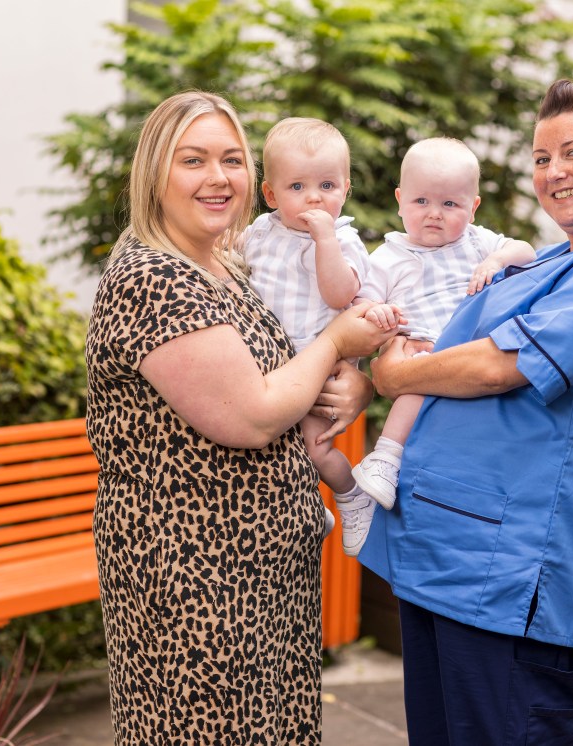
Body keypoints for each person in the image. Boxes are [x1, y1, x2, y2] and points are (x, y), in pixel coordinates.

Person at [359, 79, 573, 745]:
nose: (554, 172)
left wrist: (395, 374)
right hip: (446, 559)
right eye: (541, 159)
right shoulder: (550, 263)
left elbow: (496, 365)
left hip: (508, 581)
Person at [85, 91, 395, 745]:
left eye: (231, 159)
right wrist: (339, 342)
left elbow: (291, 369)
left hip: (269, 567)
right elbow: (252, 415)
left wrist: (355, 386)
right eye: (193, 160)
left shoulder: (227, 264)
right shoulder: (153, 278)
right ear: (155, 174)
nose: (217, 177)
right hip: (194, 579)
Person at [350, 137, 536, 531]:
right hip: (423, 350)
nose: (434, 214)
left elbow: (526, 252)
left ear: (473, 207)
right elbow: (359, 308)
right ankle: (386, 455)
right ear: (399, 200)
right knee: (420, 376)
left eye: (450, 204)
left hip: (471, 353)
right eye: (421, 202)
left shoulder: (477, 242)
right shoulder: (388, 258)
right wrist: (377, 311)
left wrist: (497, 259)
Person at [241, 117, 401, 555]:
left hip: (318, 368)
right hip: (267, 370)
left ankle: (350, 496)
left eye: (327, 186)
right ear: (271, 194)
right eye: (297, 188)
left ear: (345, 190)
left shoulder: (344, 240)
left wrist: (324, 240)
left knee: (315, 448)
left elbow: (340, 293)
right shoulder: (258, 232)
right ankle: (305, 504)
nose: (314, 197)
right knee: (268, 448)